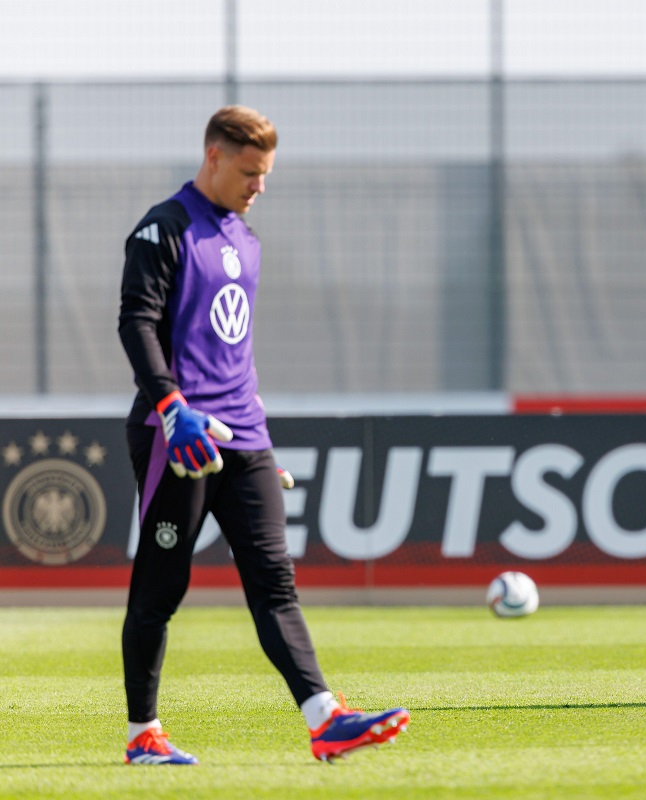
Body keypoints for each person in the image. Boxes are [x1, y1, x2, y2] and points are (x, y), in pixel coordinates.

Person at [117, 105, 409, 762]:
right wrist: (171, 408)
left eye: (266, 174)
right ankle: (143, 735)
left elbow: (232, 346)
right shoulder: (162, 230)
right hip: (178, 435)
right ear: (214, 156)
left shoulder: (245, 238)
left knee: (274, 578)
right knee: (161, 588)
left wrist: (257, 436)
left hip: (242, 432)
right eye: (250, 172)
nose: (259, 186)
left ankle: (325, 719)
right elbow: (135, 322)